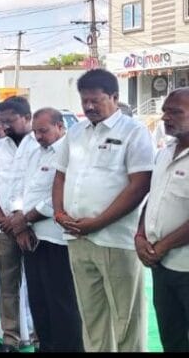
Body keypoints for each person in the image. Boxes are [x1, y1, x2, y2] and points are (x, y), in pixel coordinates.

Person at [53, 69, 153, 352]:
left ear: (114, 97)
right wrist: (59, 213)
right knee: (92, 315)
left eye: (95, 100)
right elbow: (60, 176)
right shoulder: (75, 132)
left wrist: (97, 222)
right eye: (84, 101)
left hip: (115, 239)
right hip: (77, 237)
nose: (89, 106)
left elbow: (140, 185)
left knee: (126, 317)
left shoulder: (134, 132)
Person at [20, 108, 83, 353]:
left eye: (43, 131)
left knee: (62, 301)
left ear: (60, 126)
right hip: (33, 237)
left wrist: (28, 217)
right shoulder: (35, 154)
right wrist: (22, 223)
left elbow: (62, 194)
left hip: (58, 238)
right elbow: (25, 190)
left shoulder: (70, 152)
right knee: (39, 299)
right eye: (35, 131)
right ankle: (45, 347)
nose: (38, 136)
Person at [0, 96, 37, 353]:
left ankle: (40, 337)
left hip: (36, 226)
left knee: (38, 284)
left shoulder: (40, 144)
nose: (4, 126)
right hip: (3, 227)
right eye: (2, 121)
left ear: (27, 117)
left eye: (10, 120)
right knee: (7, 285)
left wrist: (23, 220)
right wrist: (1, 217)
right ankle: (10, 339)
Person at [137, 88, 189, 352]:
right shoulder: (165, 151)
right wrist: (140, 235)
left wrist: (164, 245)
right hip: (162, 266)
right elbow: (153, 197)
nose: (166, 118)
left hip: (183, 264)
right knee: (171, 337)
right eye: (165, 112)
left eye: (175, 112)